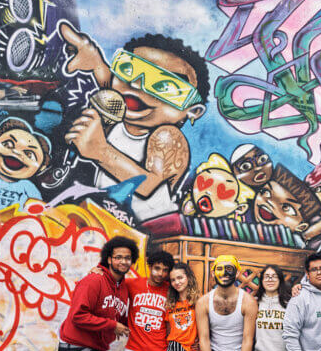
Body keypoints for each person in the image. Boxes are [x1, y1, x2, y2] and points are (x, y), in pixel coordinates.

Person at [60, 22, 210, 223]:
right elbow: (114, 87)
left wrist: (99, 150)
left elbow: (148, 185)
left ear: (193, 111)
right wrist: (95, 61)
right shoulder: (118, 111)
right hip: (106, 219)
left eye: (165, 86)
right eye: (129, 69)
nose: (136, 85)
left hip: (149, 230)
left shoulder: (166, 136)